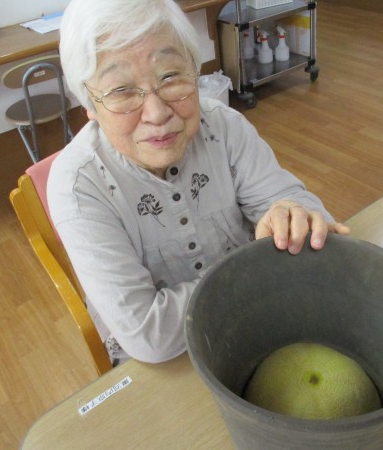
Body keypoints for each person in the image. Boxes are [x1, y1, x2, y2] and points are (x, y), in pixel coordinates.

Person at [48, 0, 350, 365]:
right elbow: (150, 335)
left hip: (258, 321)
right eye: (122, 91)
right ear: (90, 107)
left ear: (195, 73)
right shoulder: (78, 186)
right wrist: (265, 270)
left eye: (170, 77)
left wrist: (296, 216)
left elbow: (297, 207)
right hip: (166, 367)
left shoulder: (223, 126)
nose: (157, 113)